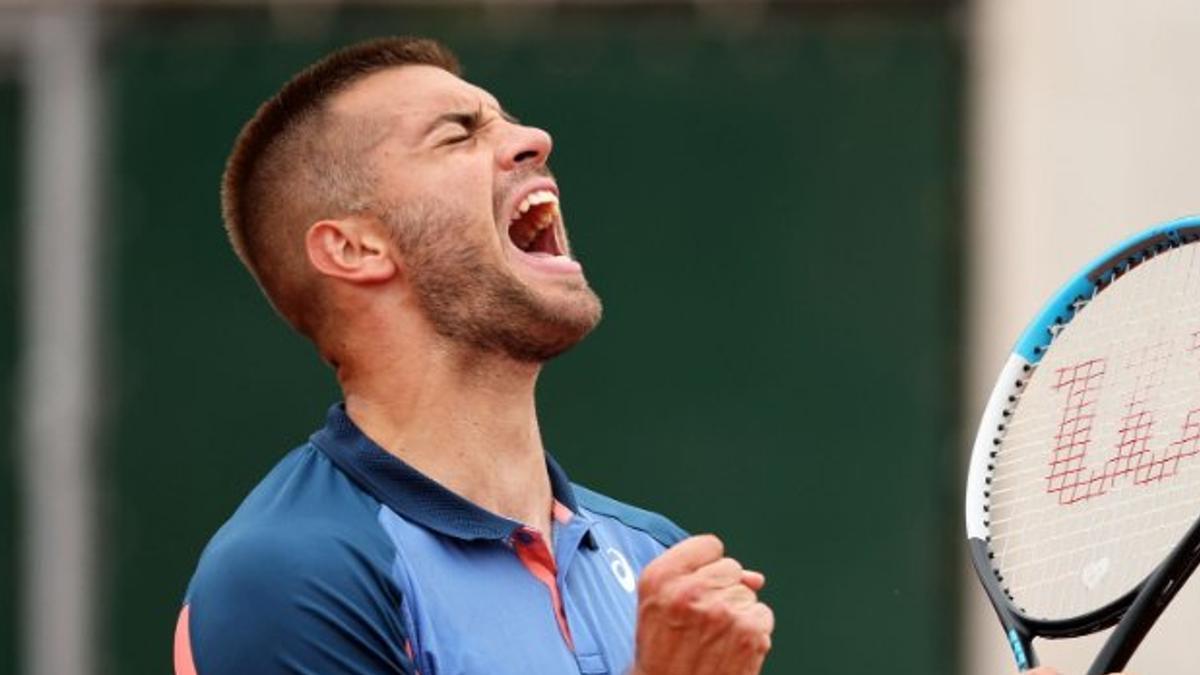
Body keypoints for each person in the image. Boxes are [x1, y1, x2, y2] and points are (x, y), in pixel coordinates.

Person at [173, 36, 774, 675]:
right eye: (457, 136)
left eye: (508, 122)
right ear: (355, 249)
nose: (535, 139)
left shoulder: (657, 557)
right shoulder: (291, 572)